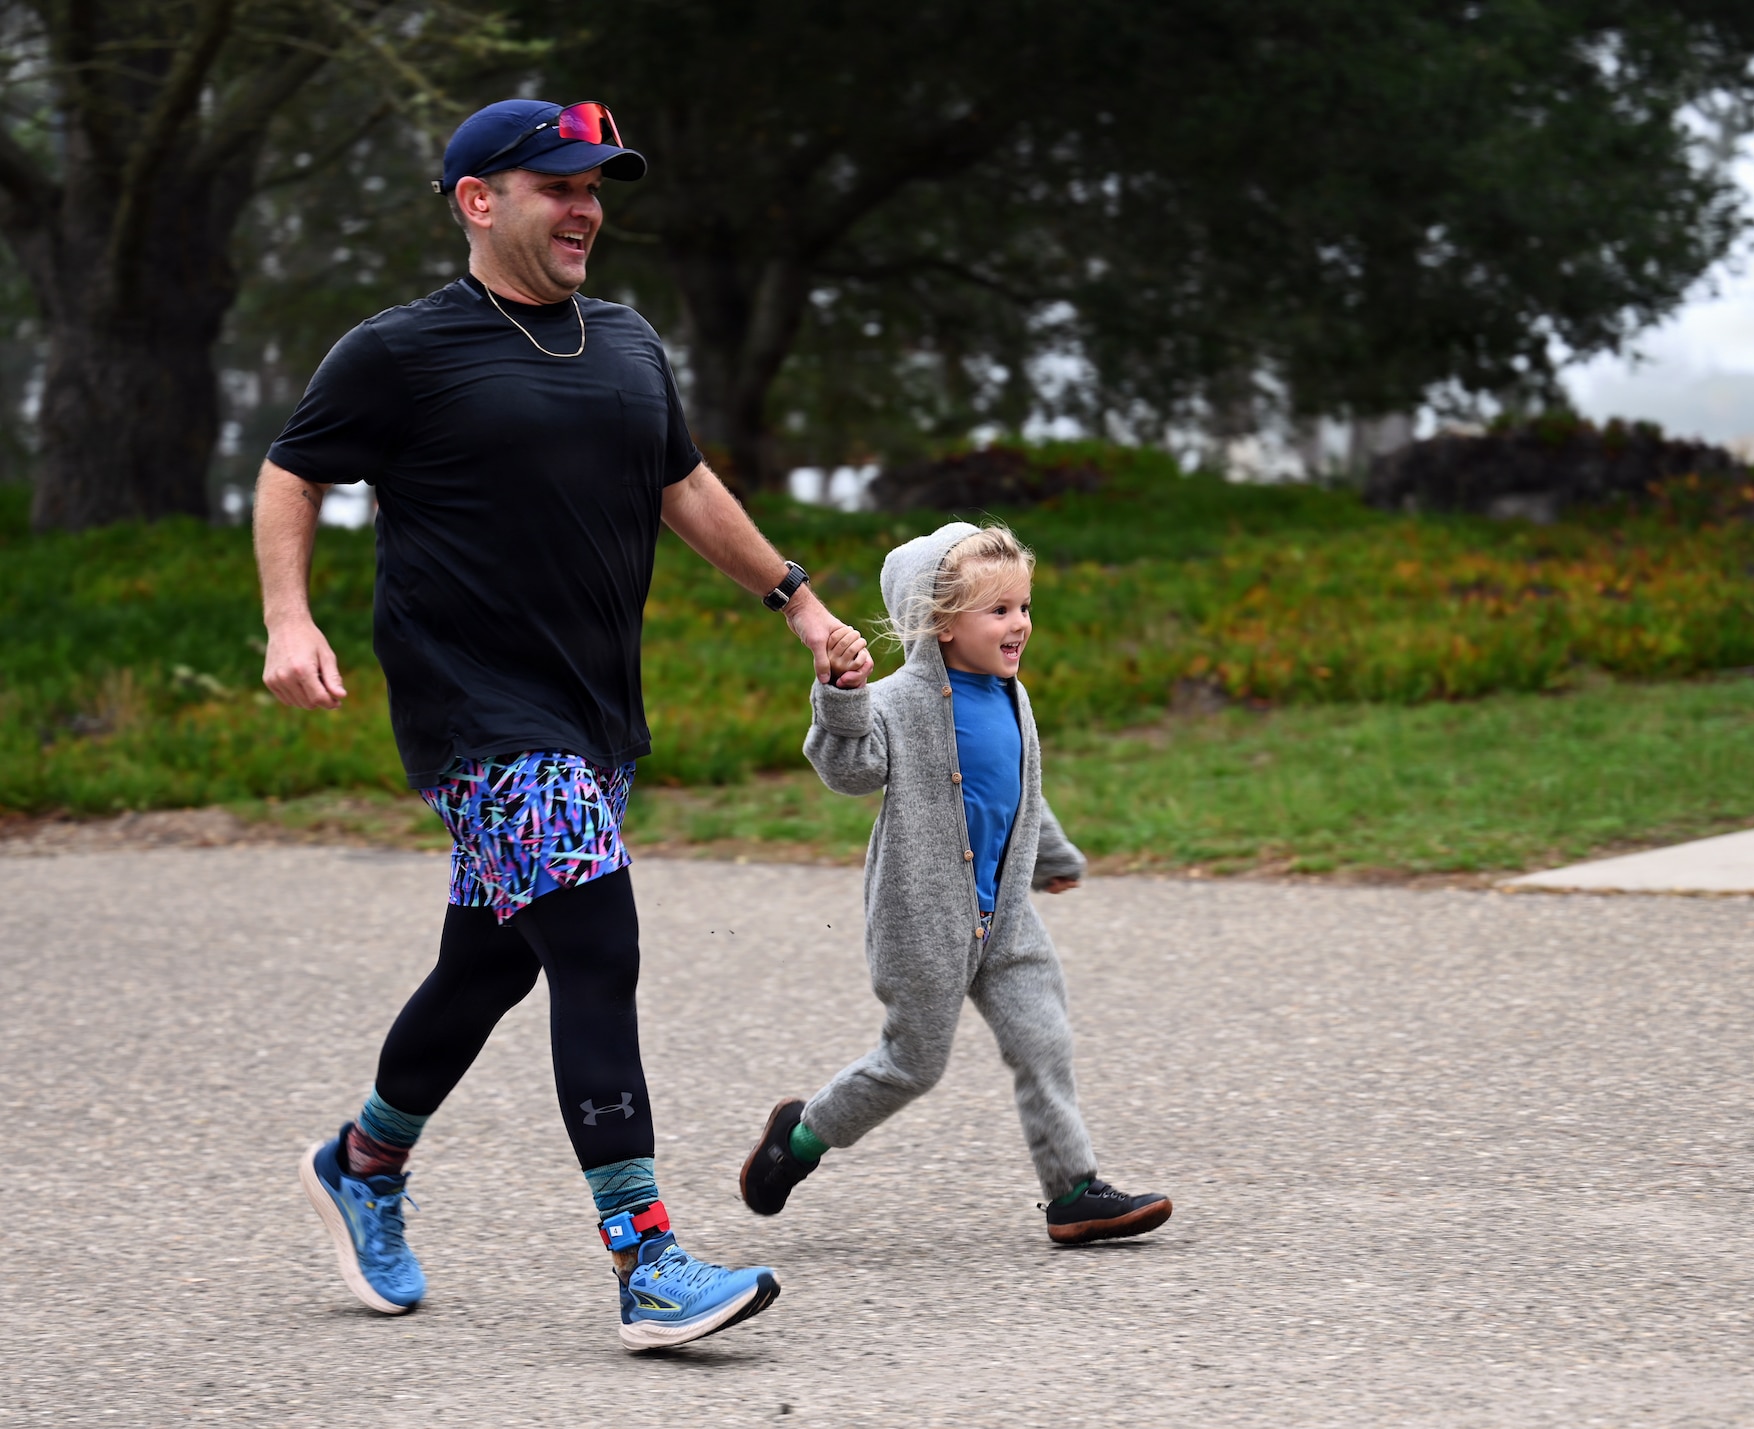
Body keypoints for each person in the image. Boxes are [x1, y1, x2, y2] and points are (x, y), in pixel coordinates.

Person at [253, 98, 872, 1350]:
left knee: (491, 962)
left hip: (592, 711)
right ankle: (646, 1262)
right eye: (557, 184)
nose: (586, 206)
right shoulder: (400, 351)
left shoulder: (627, 341)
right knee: (596, 943)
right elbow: (291, 469)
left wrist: (796, 601)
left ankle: (363, 1163)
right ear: (479, 200)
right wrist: (287, 619)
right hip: (477, 710)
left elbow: (682, 481)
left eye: (596, 185)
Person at [736, 522, 1172, 1244]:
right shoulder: (899, 700)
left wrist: (1052, 856)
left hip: (1005, 918)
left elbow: (1020, 791)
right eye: (998, 611)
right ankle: (800, 1136)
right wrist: (842, 694)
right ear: (941, 625)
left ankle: (1071, 1190)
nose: (1020, 625)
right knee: (912, 1065)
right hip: (922, 918)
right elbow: (850, 771)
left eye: (1024, 606)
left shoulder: (1012, 695)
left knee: (1045, 1039)